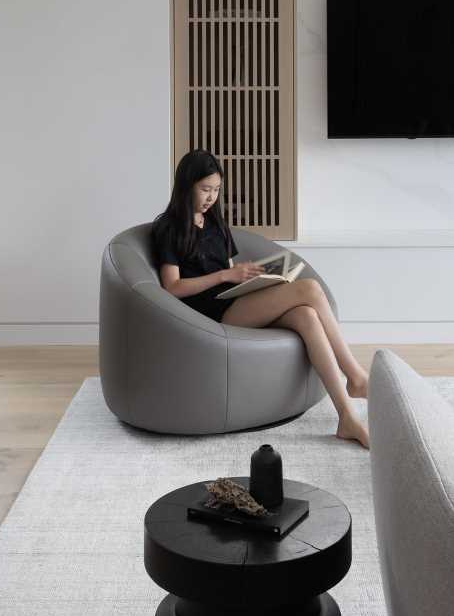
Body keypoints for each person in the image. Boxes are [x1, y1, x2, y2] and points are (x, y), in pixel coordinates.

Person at [149, 148, 369, 448]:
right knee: (310, 290)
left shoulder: (216, 224)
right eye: (205, 189)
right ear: (186, 185)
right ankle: (356, 376)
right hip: (209, 315)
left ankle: (347, 416)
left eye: (216, 190)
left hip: (232, 301)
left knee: (307, 315)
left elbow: (227, 273)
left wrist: (250, 279)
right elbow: (171, 287)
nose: (211, 197)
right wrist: (225, 277)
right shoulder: (168, 228)